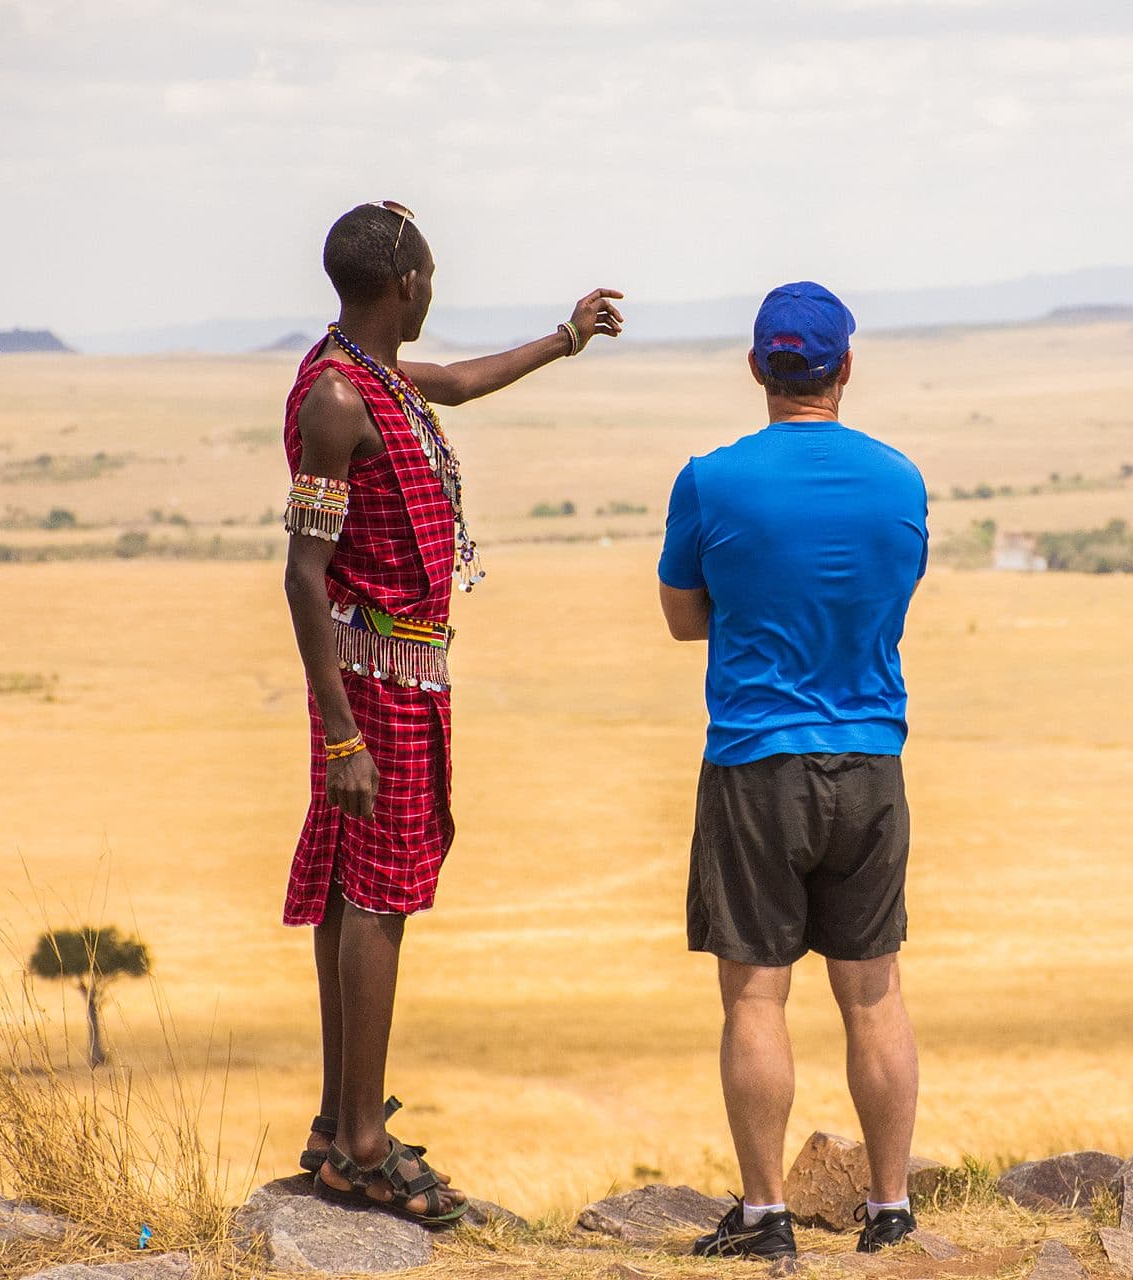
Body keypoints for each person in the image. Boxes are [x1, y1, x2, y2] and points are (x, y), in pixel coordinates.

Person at [282, 200, 622, 1223]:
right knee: (373, 896)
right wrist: (342, 730)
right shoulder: (339, 397)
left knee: (361, 888)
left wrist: (565, 340)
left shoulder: (375, 375)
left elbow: (463, 382)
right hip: (371, 685)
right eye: (429, 277)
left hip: (402, 676)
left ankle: (343, 1121)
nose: (434, 290)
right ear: (403, 286)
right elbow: (303, 574)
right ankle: (363, 1147)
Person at [657, 282, 930, 1259]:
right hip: (871, 761)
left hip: (754, 764)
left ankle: (769, 1216)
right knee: (874, 991)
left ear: (757, 368)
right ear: (845, 367)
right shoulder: (900, 480)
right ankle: (891, 1208)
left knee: (756, 996)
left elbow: (685, 615)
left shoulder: (710, 479)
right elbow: (886, 603)